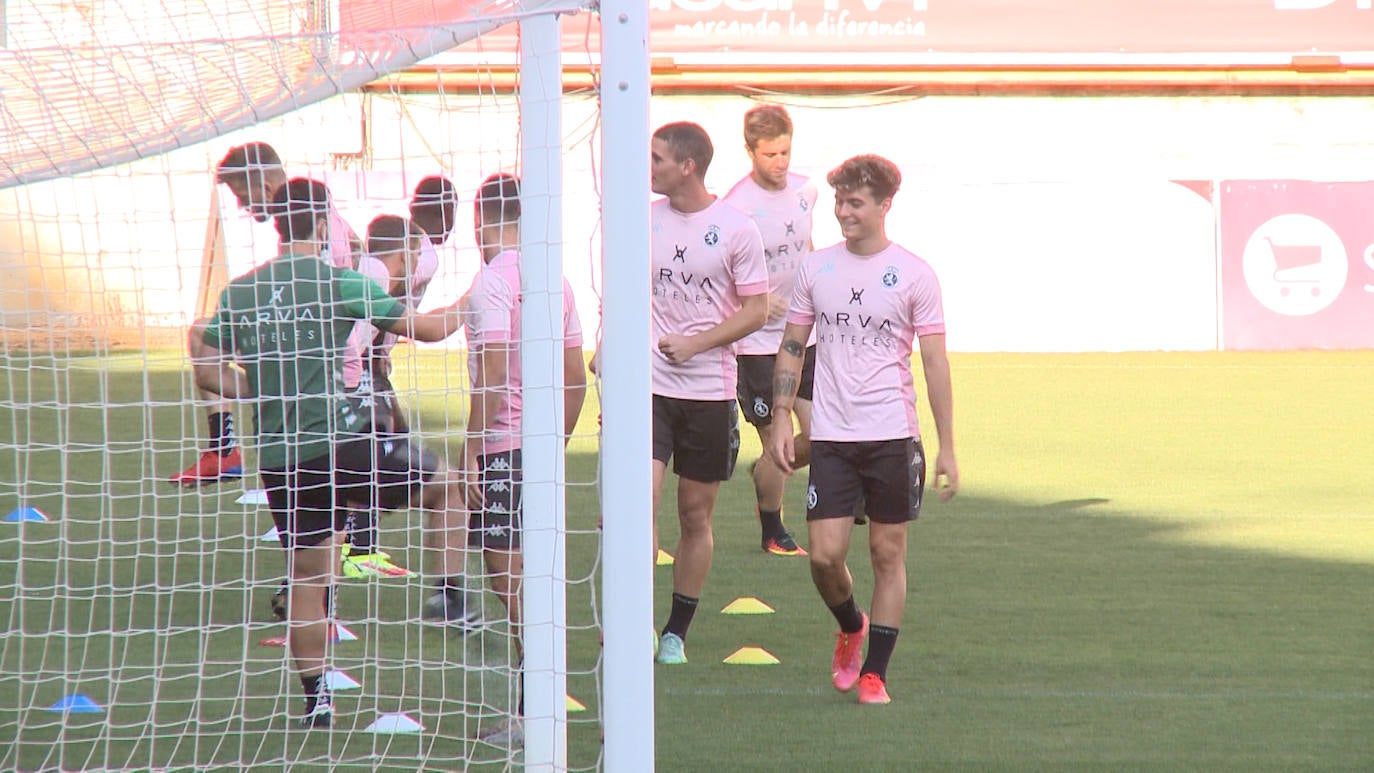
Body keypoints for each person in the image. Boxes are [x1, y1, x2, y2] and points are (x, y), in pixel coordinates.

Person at [193, 178, 474, 728]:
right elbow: (429, 330)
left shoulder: (241, 293)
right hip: (343, 442)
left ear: (276, 224)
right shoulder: (341, 282)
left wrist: (258, 390)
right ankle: (448, 596)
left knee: (306, 575)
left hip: (279, 455)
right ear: (323, 226)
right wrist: (474, 299)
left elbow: (205, 366)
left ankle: (317, 699)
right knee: (449, 487)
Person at [767, 155, 959, 705]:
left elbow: (935, 363)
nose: (843, 213)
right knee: (825, 556)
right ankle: (851, 624)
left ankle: (876, 671)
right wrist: (781, 417)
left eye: (855, 203)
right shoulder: (816, 269)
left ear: (883, 206)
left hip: (892, 435)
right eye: (839, 202)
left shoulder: (916, 274)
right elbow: (791, 346)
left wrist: (947, 447)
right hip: (830, 435)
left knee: (887, 552)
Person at [460, 172, 588, 747]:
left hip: (501, 449)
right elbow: (574, 380)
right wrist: (555, 448)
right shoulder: (555, 281)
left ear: (481, 218)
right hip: (538, 449)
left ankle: (534, 703)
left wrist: (469, 451)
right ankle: (533, 701)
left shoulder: (492, 280)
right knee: (524, 574)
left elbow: (489, 375)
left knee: (509, 577)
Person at [649, 122, 769, 665]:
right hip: (647, 388)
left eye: (657, 159)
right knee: (635, 505)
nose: (648, 168)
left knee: (694, 516)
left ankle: (675, 631)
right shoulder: (642, 222)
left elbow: (756, 310)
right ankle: (630, 623)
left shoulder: (736, 229)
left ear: (688, 165)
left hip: (708, 393)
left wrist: (696, 345)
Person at [173, 142, 361, 487]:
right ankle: (223, 449)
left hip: (316, 367)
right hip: (314, 357)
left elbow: (320, 293)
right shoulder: (320, 217)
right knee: (204, 334)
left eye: (244, 196)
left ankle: (225, 448)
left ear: (267, 187)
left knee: (322, 489)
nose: (243, 205)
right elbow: (357, 251)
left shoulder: (316, 233)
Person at [723, 104, 818, 557]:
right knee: (777, 440)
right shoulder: (735, 207)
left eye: (785, 152)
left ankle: (766, 470)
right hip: (757, 344)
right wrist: (756, 302)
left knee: (820, 437)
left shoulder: (805, 191)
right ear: (749, 152)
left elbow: (807, 248)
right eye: (770, 154)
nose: (780, 162)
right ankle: (772, 530)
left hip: (803, 337)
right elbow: (719, 276)